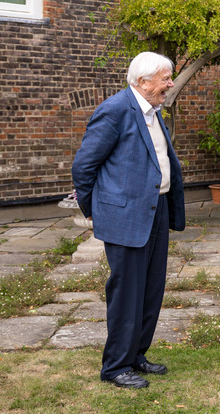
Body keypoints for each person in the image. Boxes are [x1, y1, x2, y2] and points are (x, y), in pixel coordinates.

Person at [72, 51, 185, 389]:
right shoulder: (116, 109)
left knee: (151, 290)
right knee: (127, 293)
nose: (170, 83)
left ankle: (136, 355)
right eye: (165, 78)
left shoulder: (153, 111)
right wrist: (93, 210)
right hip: (126, 216)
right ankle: (115, 367)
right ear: (143, 82)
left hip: (156, 210)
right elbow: (84, 166)